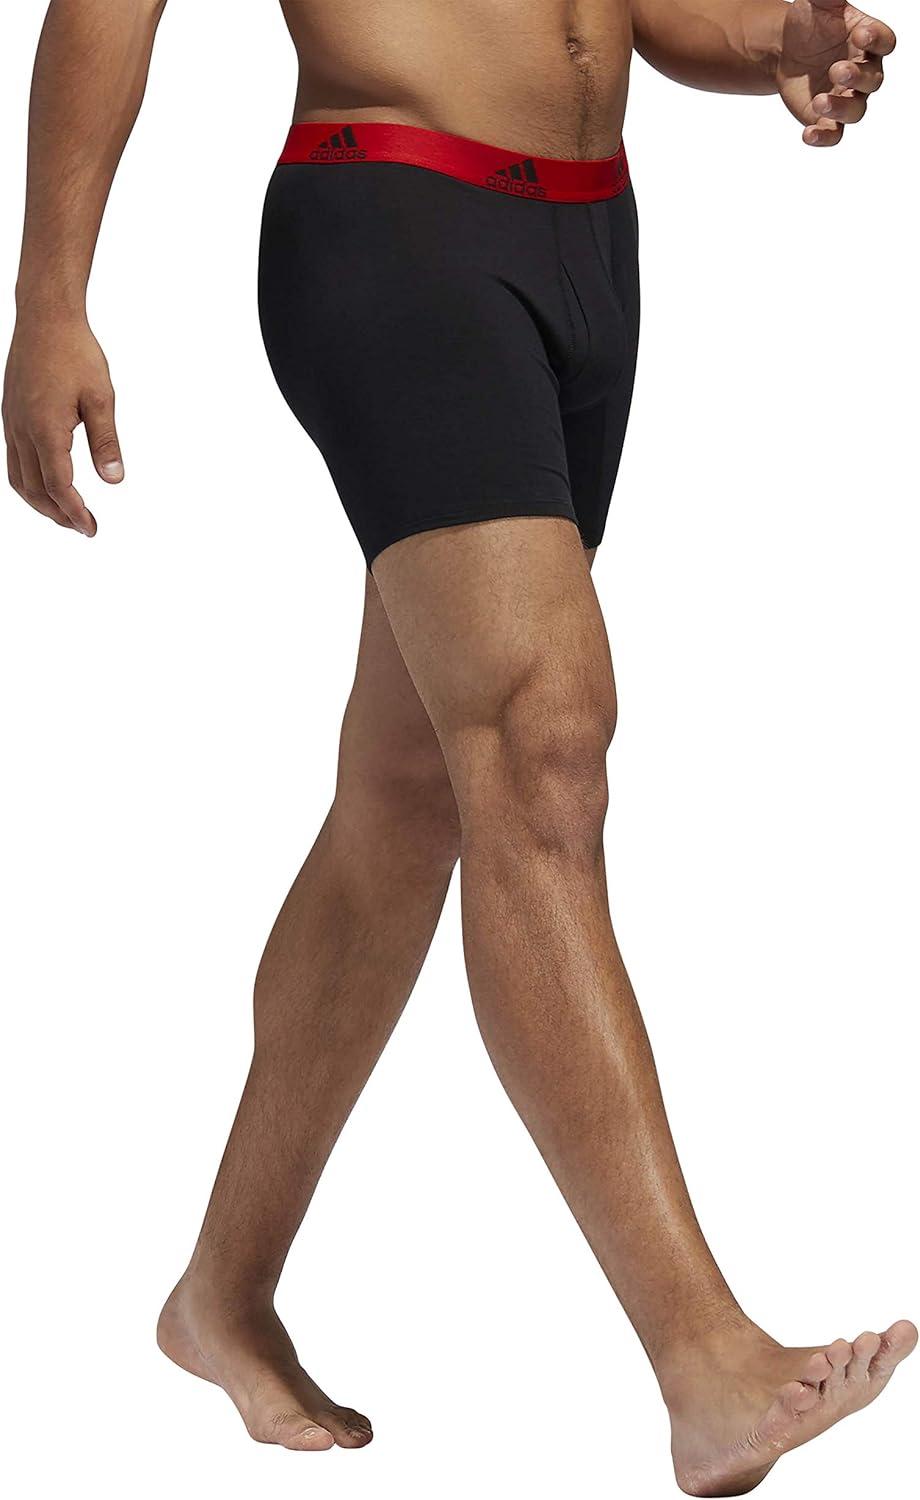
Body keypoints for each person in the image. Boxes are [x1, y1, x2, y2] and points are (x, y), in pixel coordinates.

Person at [3, 1, 914, 1493]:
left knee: (410, 789)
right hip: (395, 216)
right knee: (542, 745)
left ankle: (220, 1294)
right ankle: (704, 1359)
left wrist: (758, 40)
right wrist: (51, 297)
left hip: (588, 239)